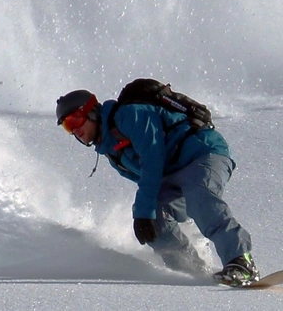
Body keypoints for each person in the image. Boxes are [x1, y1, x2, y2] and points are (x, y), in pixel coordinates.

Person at [55, 88, 258, 286]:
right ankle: (192, 270)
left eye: (74, 120)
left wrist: (144, 211)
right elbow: (148, 182)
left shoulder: (129, 115)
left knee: (198, 195)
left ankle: (241, 261)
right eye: (66, 127)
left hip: (202, 153)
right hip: (172, 175)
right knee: (154, 221)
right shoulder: (112, 153)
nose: (74, 131)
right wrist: (148, 214)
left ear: (91, 112)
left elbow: (153, 159)